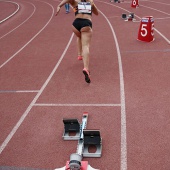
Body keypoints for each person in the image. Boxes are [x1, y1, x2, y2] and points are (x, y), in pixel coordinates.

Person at [56, 0, 99, 83]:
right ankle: (86, 68)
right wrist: (92, 6)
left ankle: (79, 54)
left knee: (79, 36)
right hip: (86, 23)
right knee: (85, 45)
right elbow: (97, 13)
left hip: (76, 24)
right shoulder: (90, 1)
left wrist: (59, 5)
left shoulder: (75, 1)